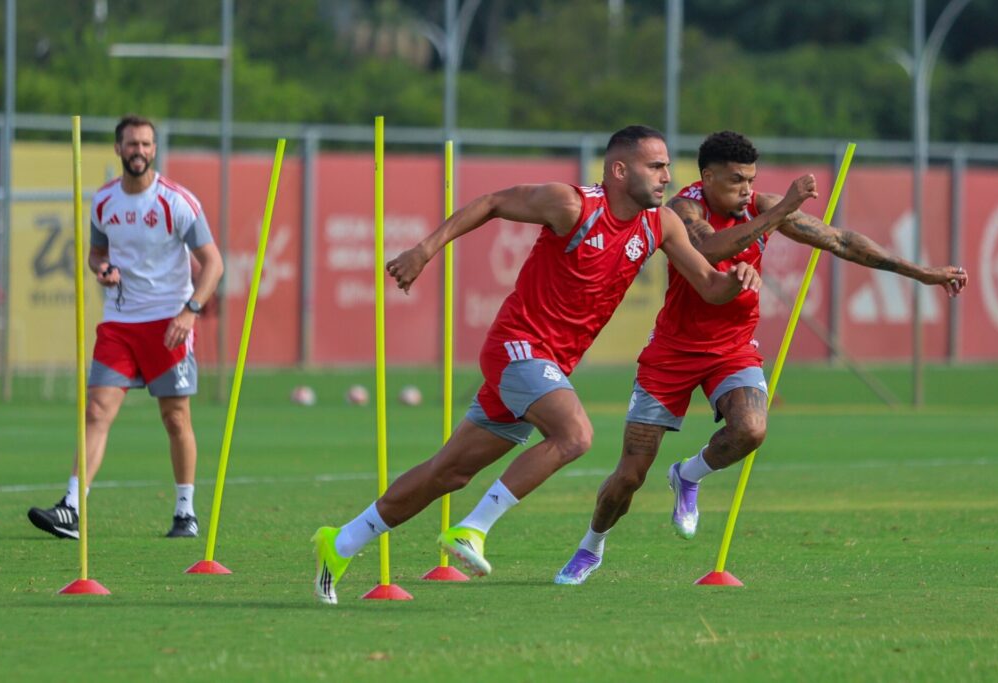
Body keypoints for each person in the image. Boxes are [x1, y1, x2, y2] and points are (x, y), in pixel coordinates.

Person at [311, 124, 820, 604]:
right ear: (620, 171)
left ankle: (340, 541)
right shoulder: (572, 203)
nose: (668, 177)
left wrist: (737, 283)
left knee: (449, 471)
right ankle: (473, 529)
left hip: (552, 362)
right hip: (516, 345)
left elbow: (710, 285)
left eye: (668, 167)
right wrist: (425, 249)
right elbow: (492, 202)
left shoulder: (661, 223)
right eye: (657, 166)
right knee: (575, 434)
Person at [555, 130, 969, 585]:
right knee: (630, 474)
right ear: (707, 177)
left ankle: (687, 475)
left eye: (751, 180)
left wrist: (923, 274)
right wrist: (784, 209)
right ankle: (590, 547)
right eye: (736, 181)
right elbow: (710, 250)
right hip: (671, 352)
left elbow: (842, 241)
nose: (747, 190)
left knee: (751, 429)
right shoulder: (683, 210)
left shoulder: (761, 207)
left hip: (733, 349)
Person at [27, 115, 224, 540]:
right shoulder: (104, 202)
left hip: (169, 323)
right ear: (118, 149)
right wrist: (103, 269)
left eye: (146, 144)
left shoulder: (177, 201)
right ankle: (72, 507)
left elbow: (214, 263)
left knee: (175, 419)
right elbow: (96, 254)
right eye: (132, 144)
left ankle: (185, 512)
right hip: (119, 322)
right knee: (96, 410)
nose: (139, 151)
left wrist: (190, 311)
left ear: (155, 150)